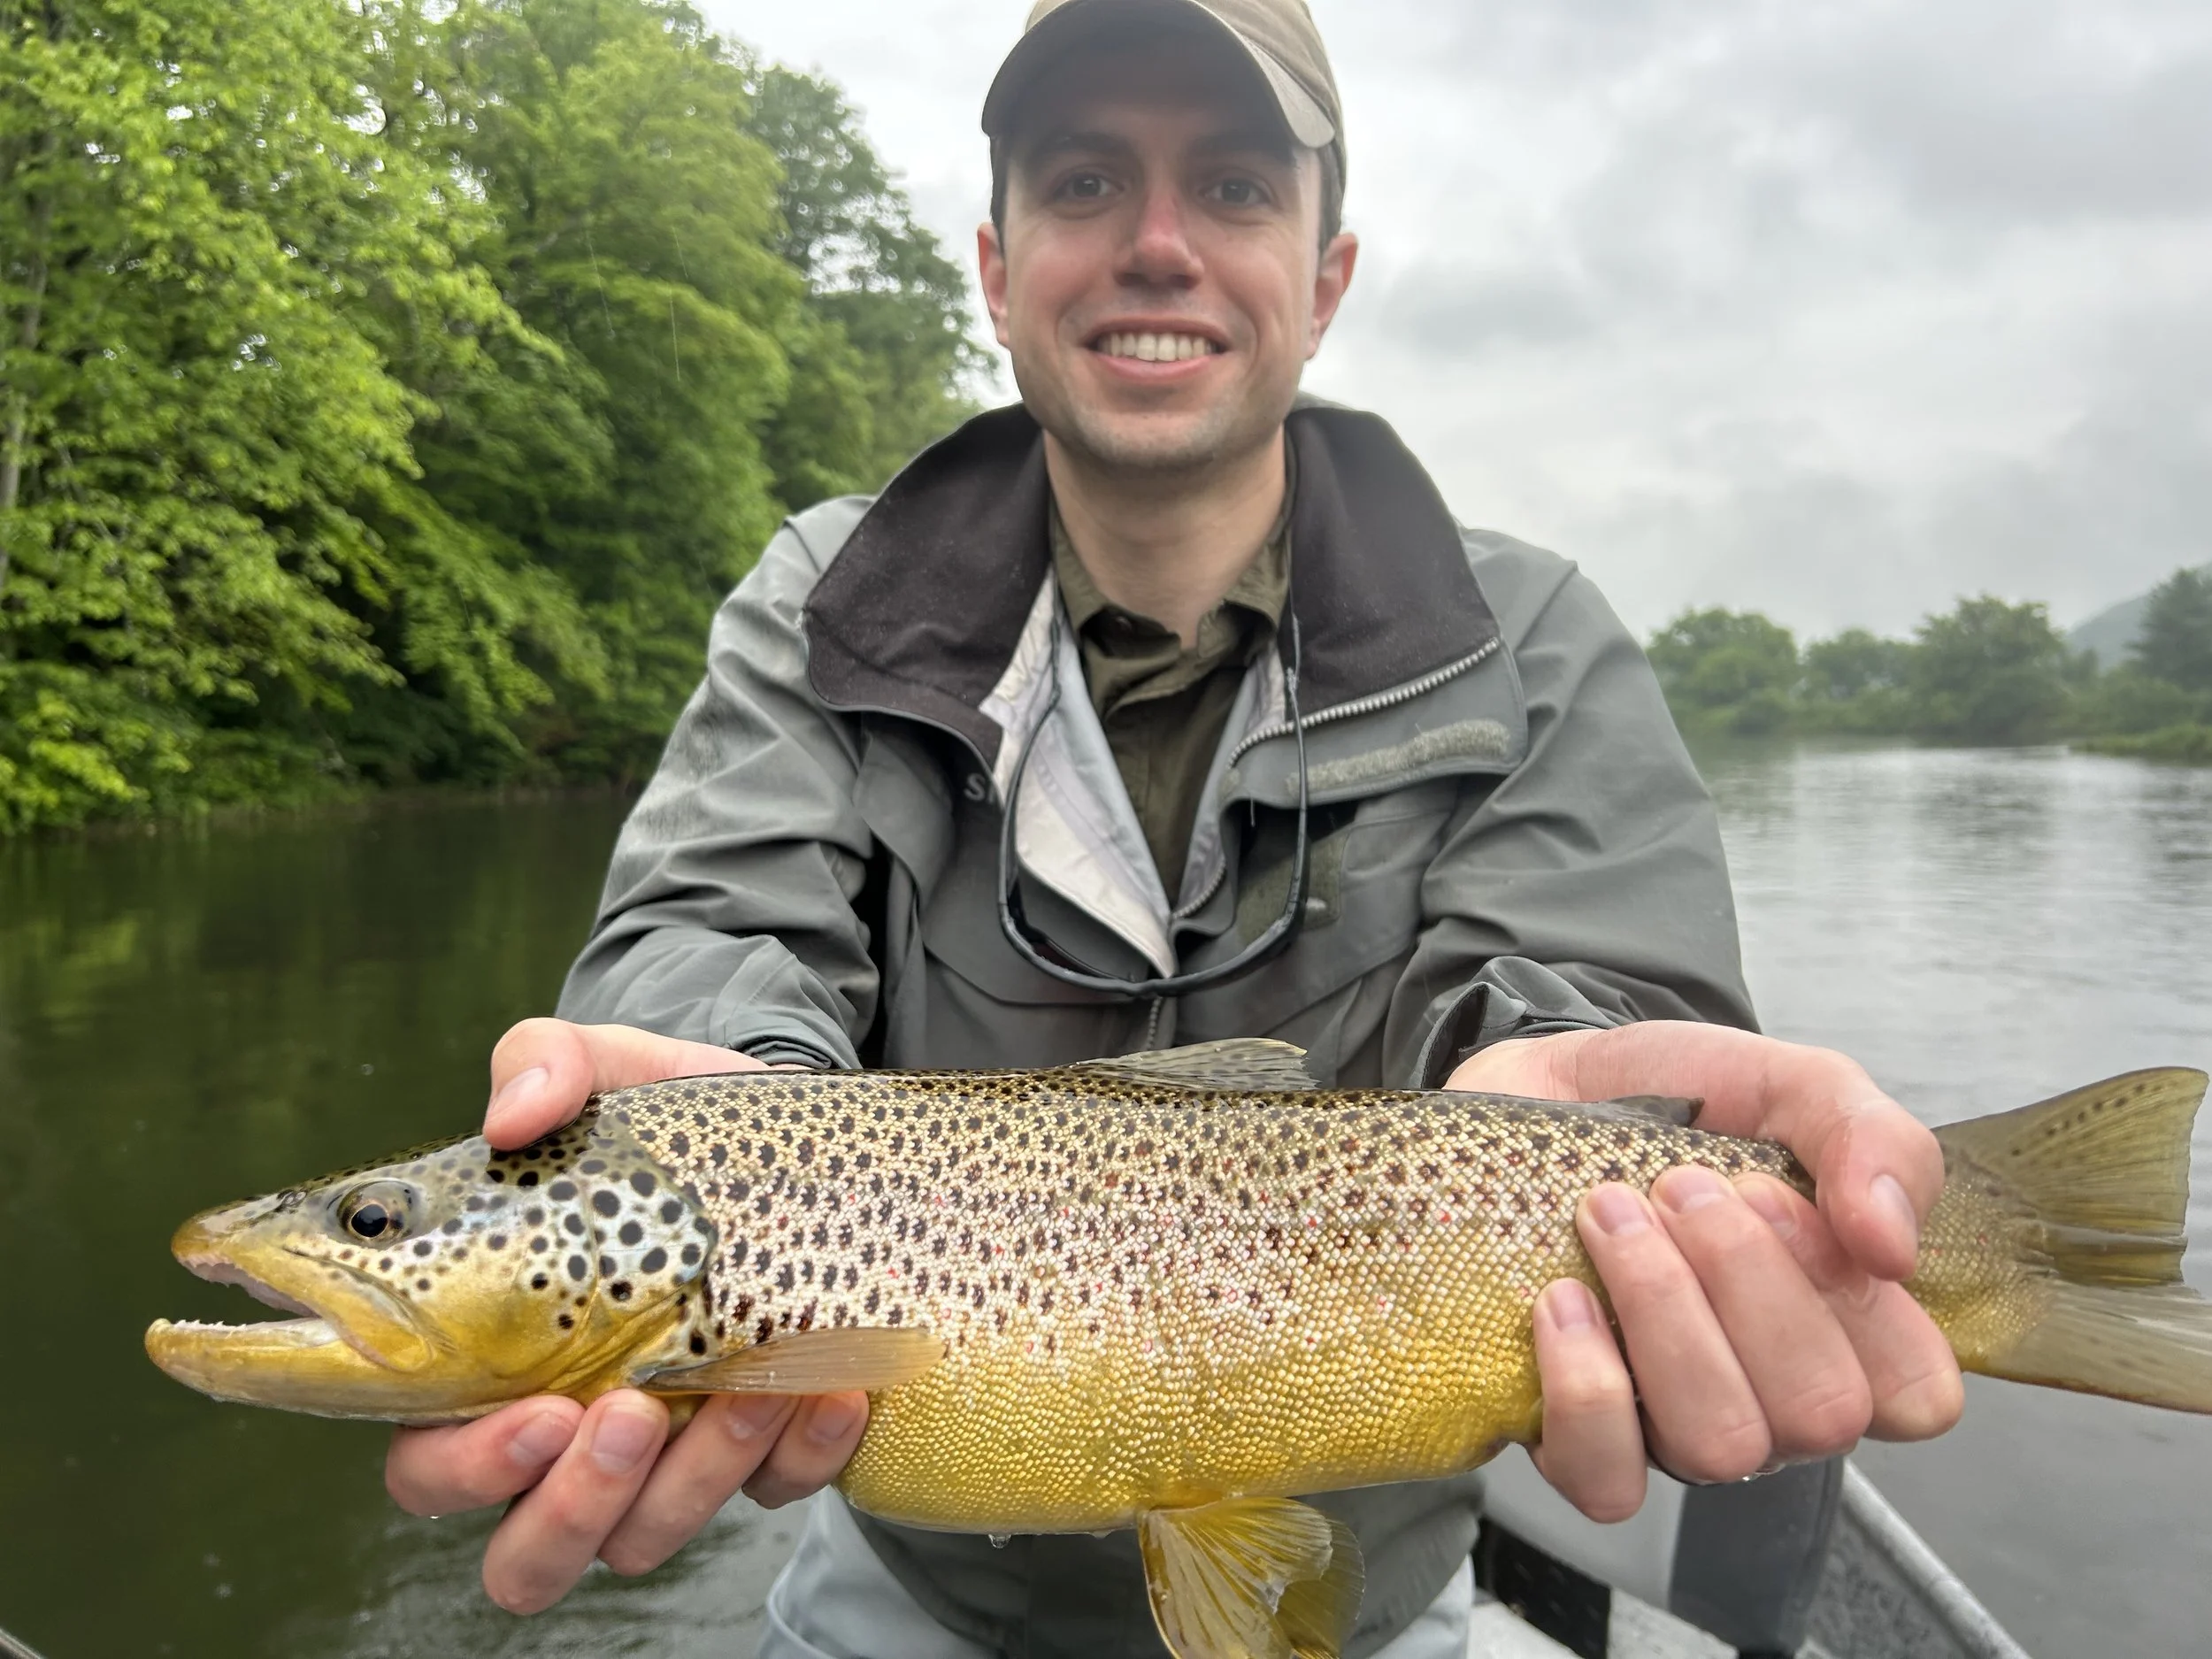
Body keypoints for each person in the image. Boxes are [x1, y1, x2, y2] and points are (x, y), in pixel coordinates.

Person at [381, 0, 1967, 1652]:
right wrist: (733, 1173)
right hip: (916, 1584)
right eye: (1082, 183)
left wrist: (1588, 1109)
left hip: (1355, 1597)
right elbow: (711, 926)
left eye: (1229, 186)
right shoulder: (826, 601)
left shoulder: (1533, 640)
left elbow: (1579, 996)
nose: (1155, 245)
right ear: (996, 269)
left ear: (1324, 278)